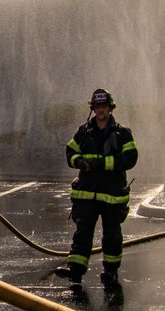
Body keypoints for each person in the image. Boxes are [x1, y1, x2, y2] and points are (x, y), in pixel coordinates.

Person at [54, 88, 138, 289]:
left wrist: (102, 164)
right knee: (82, 234)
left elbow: (130, 158)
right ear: (93, 108)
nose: (101, 110)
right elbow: (70, 152)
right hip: (86, 194)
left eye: (104, 106)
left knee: (112, 234)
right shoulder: (83, 132)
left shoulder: (122, 133)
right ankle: (75, 271)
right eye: (97, 106)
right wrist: (79, 161)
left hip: (111, 195)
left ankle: (110, 272)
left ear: (110, 108)